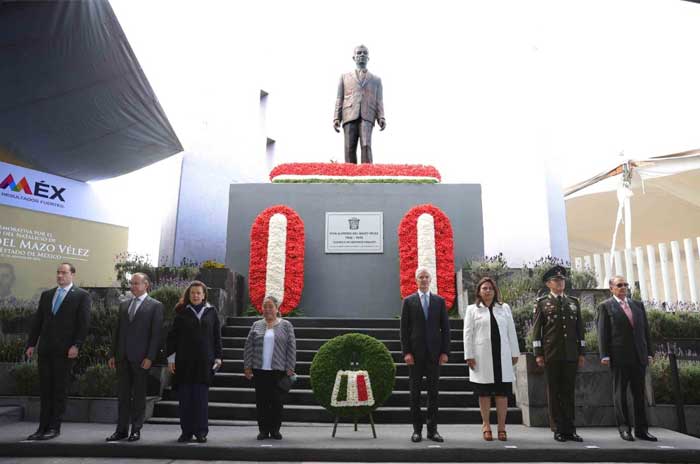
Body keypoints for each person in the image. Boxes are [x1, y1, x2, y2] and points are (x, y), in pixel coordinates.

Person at [25, 263, 91, 441]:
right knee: (45, 390)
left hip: (65, 351)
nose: (60, 276)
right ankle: (42, 427)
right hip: (45, 349)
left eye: (64, 273)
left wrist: (76, 345)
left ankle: (54, 427)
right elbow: (38, 320)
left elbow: (83, 324)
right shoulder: (47, 295)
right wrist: (31, 344)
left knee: (59, 390)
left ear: (72, 275)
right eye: (58, 272)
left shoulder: (81, 296)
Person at [597, 275, 657, 442]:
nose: (623, 287)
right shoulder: (606, 307)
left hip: (639, 356)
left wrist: (649, 352)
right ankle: (624, 429)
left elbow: (645, 331)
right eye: (619, 285)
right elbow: (602, 333)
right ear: (611, 288)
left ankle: (642, 430)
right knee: (620, 394)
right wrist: (604, 355)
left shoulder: (637, 305)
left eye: (625, 284)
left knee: (639, 394)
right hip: (619, 357)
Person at [106, 272, 164, 442]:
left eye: (136, 283)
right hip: (122, 357)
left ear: (146, 285)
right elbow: (117, 332)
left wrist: (150, 357)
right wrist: (112, 354)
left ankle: (136, 430)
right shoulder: (124, 305)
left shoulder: (155, 306)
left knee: (139, 396)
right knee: (122, 396)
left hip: (141, 359)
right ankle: (121, 430)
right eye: (131, 283)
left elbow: (156, 335)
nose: (133, 286)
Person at [532, 265, 586, 442]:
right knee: (555, 392)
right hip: (552, 353)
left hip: (570, 353)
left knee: (569, 392)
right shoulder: (542, 303)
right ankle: (558, 428)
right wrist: (538, 353)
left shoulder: (573, 302)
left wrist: (582, 352)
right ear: (549, 284)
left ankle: (570, 428)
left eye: (562, 280)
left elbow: (580, 330)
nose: (560, 283)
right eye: (556, 280)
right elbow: (536, 331)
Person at [464, 277, 520, 441]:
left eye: (490, 288)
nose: (487, 291)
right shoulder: (472, 309)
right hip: (482, 357)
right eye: (484, 288)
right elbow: (468, 334)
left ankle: (502, 428)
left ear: (495, 291)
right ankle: (486, 425)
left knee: (502, 394)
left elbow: (511, 331)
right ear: (479, 292)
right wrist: (469, 355)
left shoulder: (504, 308)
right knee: (484, 394)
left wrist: (514, 352)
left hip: (502, 357)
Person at [166, 281, 223, 443]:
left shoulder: (211, 312)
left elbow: (217, 337)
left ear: (204, 295)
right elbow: (172, 338)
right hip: (184, 363)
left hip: (205, 363)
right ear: (188, 295)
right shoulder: (182, 313)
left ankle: (201, 432)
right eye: (193, 293)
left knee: (200, 399)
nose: (196, 296)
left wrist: (218, 356)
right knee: (185, 399)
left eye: (199, 293)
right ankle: (186, 432)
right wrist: (171, 358)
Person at [400, 267, 450, 443]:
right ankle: (417, 430)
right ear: (416, 280)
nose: (423, 280)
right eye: (420, 277)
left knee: (433, 393)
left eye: (426, 277)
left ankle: (432, 430)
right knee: (414, 394)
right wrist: (406, 352)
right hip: (415, 355)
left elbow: (445, 329)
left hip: (434, 355)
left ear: (431, 280)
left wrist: (445, 352)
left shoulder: (439, 301)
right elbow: (404, 330)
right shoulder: (408, 301)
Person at [243, 295, 297, 440]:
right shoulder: (256, 325)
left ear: (276, 308)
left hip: (278, 370)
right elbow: (248, 347)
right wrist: (247, 366)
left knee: (277, 402)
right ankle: (263, 430)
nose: (267, 309)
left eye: (270, 306)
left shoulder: (286, 325)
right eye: (265, 306)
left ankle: (275, 430)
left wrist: (290, 366)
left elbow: (291, 348)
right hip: (259, 370)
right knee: (262, 402)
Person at [333, 44, 386, 164]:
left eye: (364, 53)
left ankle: (367, 176)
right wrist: (337, 117)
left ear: (368, 58)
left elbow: (379, 100)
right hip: (349, 114)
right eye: (359, 53)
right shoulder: (344, 77)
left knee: (366, 146)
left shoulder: (376, 80)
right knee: (349, 148)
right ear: (354, 57)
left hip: (367, 115)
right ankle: (350, 176)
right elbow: (339, 98)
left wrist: (381, 117)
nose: (362, 55)